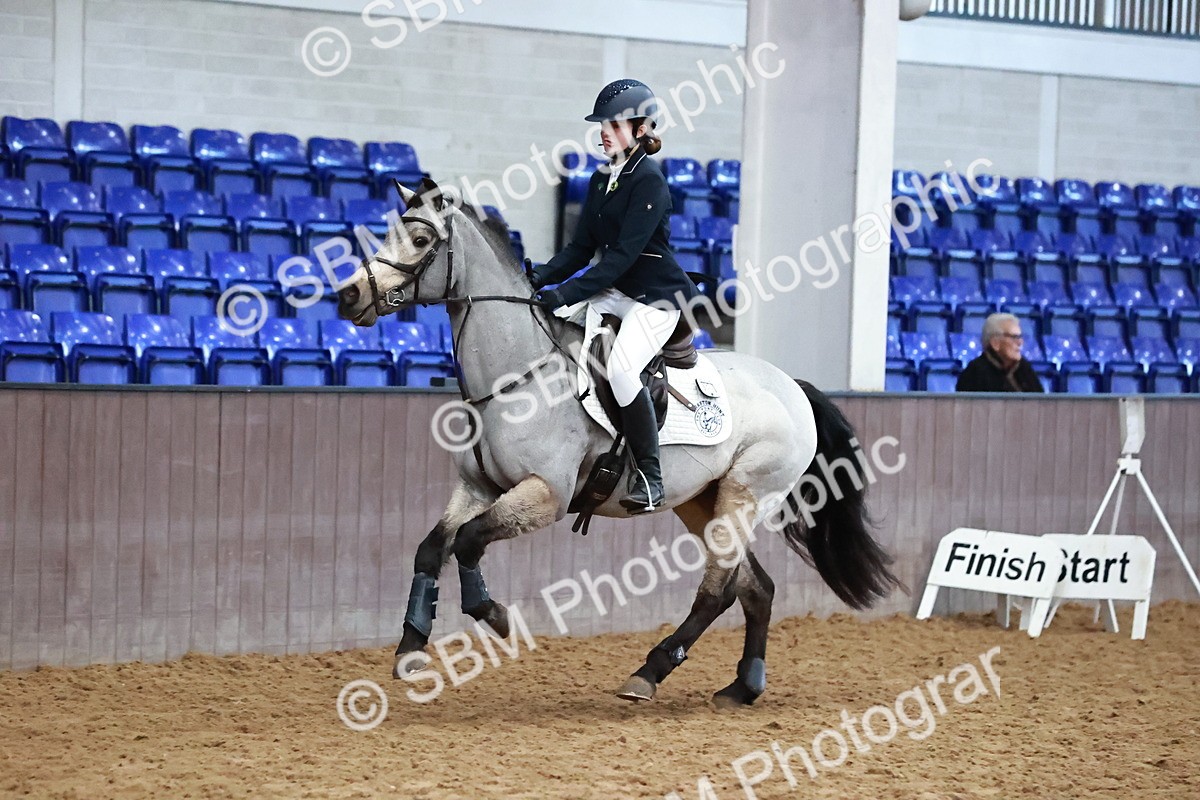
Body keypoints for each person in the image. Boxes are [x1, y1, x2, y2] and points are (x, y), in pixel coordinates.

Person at [530, 78, 701, 514]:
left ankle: (650, 474)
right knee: (558, 331)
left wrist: (565, 291)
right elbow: (581, 249)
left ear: (642, 129)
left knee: (623, 370)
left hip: (654, 297)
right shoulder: (601, 176)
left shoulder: (650, 182)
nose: (604, 131)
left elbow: (621, 257)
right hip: (616, 289)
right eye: (602, 124)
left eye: (615, 124)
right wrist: (537, 278)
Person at [956, 313, 1044, 393]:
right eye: (1014, 337)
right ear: (995, 343)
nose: (1020, 343)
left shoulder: (1024, 368)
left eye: (1020, 337)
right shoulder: (974, 373)